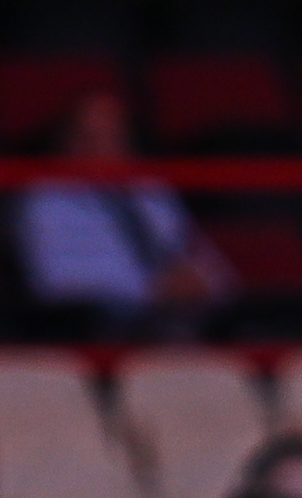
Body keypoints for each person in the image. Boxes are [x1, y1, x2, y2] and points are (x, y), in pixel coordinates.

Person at [17, 89, 237, 341]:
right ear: (70, 142)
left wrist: (206, 284)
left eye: (117, 136)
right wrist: (152, 291)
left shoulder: (149, 190)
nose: (109, 148)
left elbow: (205, 261)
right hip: (106, 331)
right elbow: (58, 285)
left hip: (184, 322)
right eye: (95, 137)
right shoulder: (46, 200)